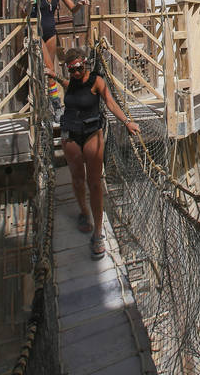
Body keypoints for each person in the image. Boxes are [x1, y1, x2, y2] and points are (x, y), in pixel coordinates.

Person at [60, 48, 140, 260]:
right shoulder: (71, 83)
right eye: (71, 70)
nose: (76, 73)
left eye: (79, 68)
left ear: (85, 64)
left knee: (94, 182)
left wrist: (126, 122)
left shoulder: (97, 81)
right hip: (70, 132)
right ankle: (83, 212)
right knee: (77, 179)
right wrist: (54, 77)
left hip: (91, 132)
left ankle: (97, 232)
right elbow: (69, 88)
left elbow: (110, 102)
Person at [32, 0, 80, 78]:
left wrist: (79, 4)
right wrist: (28, 4)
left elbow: (73, 8)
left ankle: (48, 94)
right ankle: (52, 96)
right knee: (49, 68)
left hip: (51, 32)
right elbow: (26, 11)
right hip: (36, 31)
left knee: (49, 69)